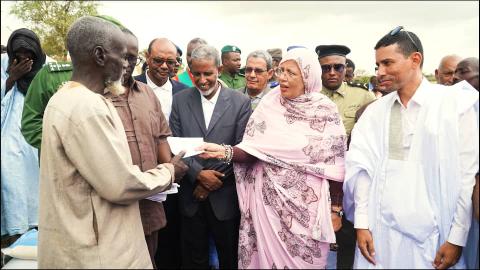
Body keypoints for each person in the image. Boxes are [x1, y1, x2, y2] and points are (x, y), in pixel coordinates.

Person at [37, 16, 188, 268]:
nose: (126, 65)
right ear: (100, 56)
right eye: (122, 56)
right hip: (96, 251)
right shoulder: (87, 106)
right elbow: (121, 185)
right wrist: (169, 171)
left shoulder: (66, 98)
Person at [197, 47, 347, 268]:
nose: (283, 78)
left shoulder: (325, 111)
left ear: (307, 77)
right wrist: (224, 151)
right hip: (267, 208)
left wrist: (335, 210)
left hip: (306, 209)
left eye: (291, 73)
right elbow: (253, 150)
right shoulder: (270, 104)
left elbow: (335, 167)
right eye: (281, 71)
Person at [343, 26, 479, 269]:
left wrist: (456, 238)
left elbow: (466, 175)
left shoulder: (454, 105)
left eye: (387, 63)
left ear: (415, 59)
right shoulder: (375, 112)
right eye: (377, 66)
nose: (380, 72)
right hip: (381, 236)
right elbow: (361, 170)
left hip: (435, 239)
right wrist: (361, 223)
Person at [169, 45, 252, 269]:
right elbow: (175, 144)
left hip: (224, 196)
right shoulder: (179, 101)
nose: (202, 79)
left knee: (230, 258)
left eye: (208, 73)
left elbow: (241, 148)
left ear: (219, 69)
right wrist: (198, 175)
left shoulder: (240, 102)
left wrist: (211, 182)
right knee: (194, 258)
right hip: (190, 196)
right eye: (197, 74)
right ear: (190, 70)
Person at [104, 27, 179, 268]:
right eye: (121, 56)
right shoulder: (95, 96)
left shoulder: (147, 94)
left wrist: (172, 168)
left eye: (131, 58)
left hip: (149, 204)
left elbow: (160, 139)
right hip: (112, 208)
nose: (126, 63)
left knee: (149, 259)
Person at [20, 15, 126, 152]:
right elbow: (30, 125)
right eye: (120, 54)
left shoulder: (127, 84)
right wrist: (71, 146)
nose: (125, 63)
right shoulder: (51, 76)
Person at [315, 44, 375, 269]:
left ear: (345, 68)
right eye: (326, 68)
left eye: (338, 67)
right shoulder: (308, 96)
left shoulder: (362, 96)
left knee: (348, 238)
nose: (332, 72)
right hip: (317, 178)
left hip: (349, 179)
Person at [1, 28, 46, 249]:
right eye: (18, 55)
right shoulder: (3, 65)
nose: (24, 61)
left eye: (29, 56)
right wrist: (11, 79)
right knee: (13, 188)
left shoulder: (47, 70)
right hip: (8, 141)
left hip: (37, 142)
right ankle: (13, 239)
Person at [453, 56, 479, 270]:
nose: (456, 78)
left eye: (463, 72)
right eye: (454, 72)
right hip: (462, 196)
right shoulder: (456, 107)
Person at [135, 38, 188, 121]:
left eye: (170, 62)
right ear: (147, 57)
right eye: (158, 61)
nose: (164, 66)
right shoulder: (130, 86)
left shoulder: (184, 92)